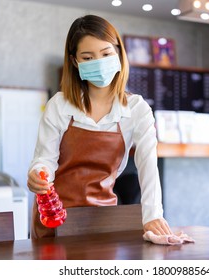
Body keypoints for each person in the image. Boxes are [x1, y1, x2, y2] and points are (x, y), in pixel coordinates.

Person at [27, 14, 172, 239]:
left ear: (119, 54)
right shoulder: (60, 105)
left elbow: (148, 165)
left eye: (106, 54)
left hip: (103, 219)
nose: (99, 62)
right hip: (55, 217)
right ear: (75, 62)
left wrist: (153, 215)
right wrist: (38, 173)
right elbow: (44, 159)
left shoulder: (136, 109)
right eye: (88, 57)